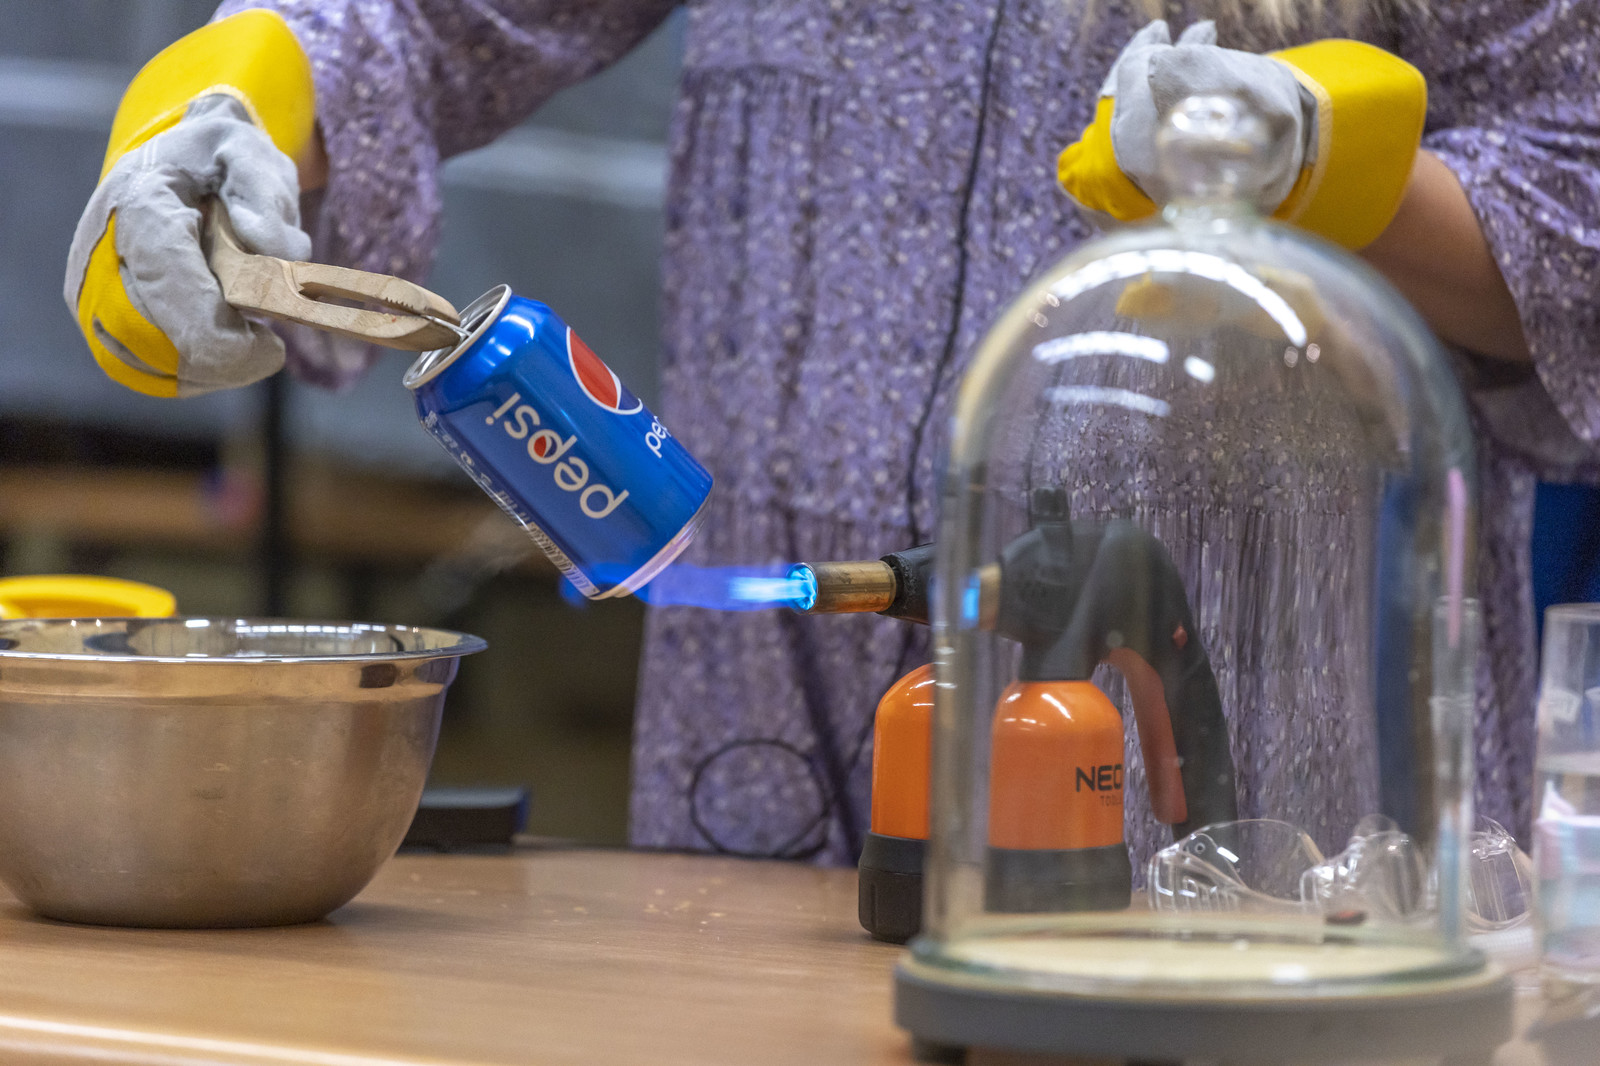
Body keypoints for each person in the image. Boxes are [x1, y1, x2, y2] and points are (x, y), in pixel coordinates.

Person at [65, 1, 1599, 864]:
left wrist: (1327, 171)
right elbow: (423, 24)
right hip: (756, 775)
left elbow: (1573, 190)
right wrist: (239, 104)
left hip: (1252, 798)